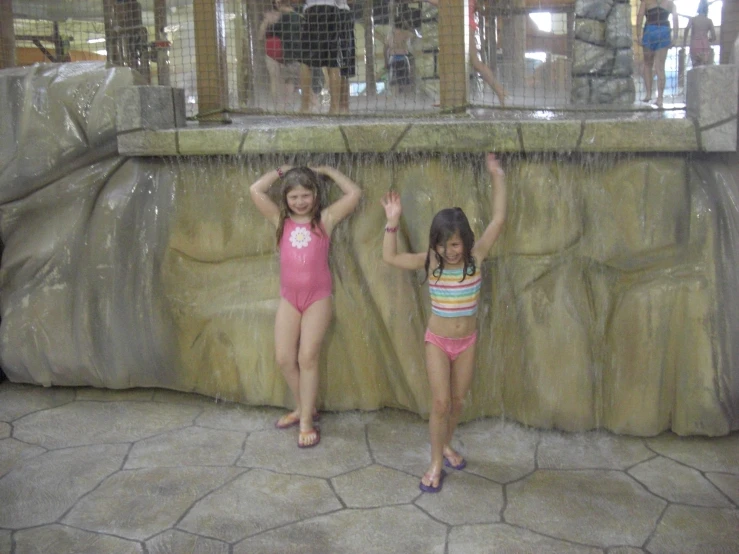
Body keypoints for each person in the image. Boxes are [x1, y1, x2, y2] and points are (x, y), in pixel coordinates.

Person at [380, 153, 506, 492]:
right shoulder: (432, 262)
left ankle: (447, 444)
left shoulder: (476, 259)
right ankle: (436, 462)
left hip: (467, 342)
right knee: (440, 403)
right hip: (438, 340)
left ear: (465, 240)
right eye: (442, 244)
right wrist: (392, 220)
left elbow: (498, 219)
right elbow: (389, 257)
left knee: (458, 402)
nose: (449, 251)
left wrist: (496, 175)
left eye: (454, 244)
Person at [250, 165, 362, 447]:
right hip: (290, 298)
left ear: (315, 195)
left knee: (307, 357)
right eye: (294, 197)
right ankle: (304, 407)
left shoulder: (325, 220)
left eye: (306, 195)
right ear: (285, 199)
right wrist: (280, 171)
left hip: (317, 299)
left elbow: (354, 193)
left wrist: (329, 171)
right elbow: (255, 190)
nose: (300, 201)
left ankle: (306, 422)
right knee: (285, 358)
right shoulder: (280, 222)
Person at [426, 0, 507, 106]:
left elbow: (443, 3)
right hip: (461, 25)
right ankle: (448, 98)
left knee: (472, 63)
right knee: (458, 63)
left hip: (463, 25)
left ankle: (499, 90)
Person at [299, 0, 342, 113]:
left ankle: (305, 107)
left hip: (312, 11)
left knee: (306, 61)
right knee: (333, 62)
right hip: (332, 11)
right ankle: (334, 108)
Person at [259, 0, 303, 110]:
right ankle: (280, 104)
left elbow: (262, 35)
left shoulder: (286, 16)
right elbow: (261, 36)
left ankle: (285, 104)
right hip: (279, 52)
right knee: (280, 79)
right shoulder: (297, 16)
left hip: (286, 52)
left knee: (289, 79)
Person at [637, 0, 678, 107]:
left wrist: (638, 35)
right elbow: (675, 18)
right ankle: (660, 98)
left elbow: (640, 16)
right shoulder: (670, 2)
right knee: (660, 67)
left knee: (647, 64)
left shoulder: (646, 1)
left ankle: (648, 94)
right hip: (664, 30)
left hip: (650, 30)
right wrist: (675, 37)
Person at [385, 5, 417, 96]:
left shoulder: (390, 34)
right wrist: (407, 25)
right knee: (405, 80)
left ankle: (395, 97)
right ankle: (405, 97)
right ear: (402, 24)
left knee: (394, 81)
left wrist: (386, 61)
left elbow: (385, 48)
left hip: (393, 59)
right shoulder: (406, 33)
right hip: (403, 59)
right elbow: (415, 35)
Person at [683, 0, 716, 67]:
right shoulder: (709, 21)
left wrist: (684, 42)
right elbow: (714, 37)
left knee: (695, 68)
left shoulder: (693, 19)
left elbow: (686, 29)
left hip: (694, 45)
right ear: (707, 9)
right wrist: (710, 40)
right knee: (704, 68)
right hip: (705, 46)